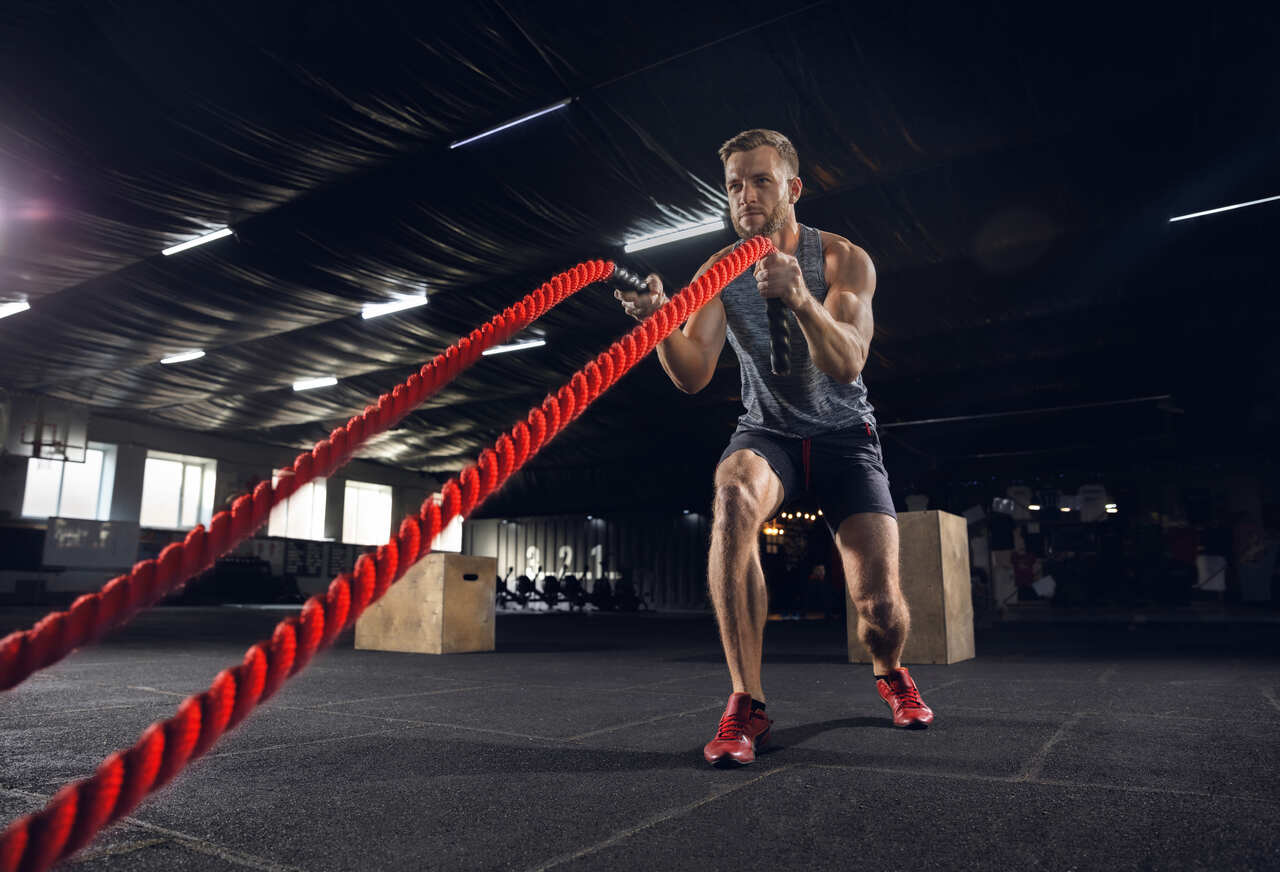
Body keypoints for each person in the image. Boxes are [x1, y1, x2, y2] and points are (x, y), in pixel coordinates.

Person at [614, 129, 933, 767]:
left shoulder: (844, 260)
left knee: (880, 611)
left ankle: (890, 671)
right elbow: (694, 373)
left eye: (760, 180)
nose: (746, 195)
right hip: (770, 433)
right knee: (732, 493)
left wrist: (798, 296)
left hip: (845, 436)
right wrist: (655, 322)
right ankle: (746, 702)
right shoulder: (718, 273)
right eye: (735, 184)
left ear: (792, 188)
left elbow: (847, 362)